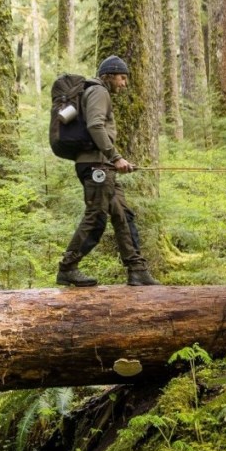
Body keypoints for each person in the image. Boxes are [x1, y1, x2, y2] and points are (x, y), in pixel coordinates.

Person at [56, 55, 160, 287]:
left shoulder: (94, 92)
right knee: (96, 216)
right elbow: (95, 125)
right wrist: (115, 157)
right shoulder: (99, 91)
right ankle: (68, 267)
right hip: (96, 166)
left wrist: (114, 161)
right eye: (122, 78)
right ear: (109, 75)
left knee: (123, 215)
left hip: (102, 164)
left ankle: (137, 269)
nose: (124, 83)